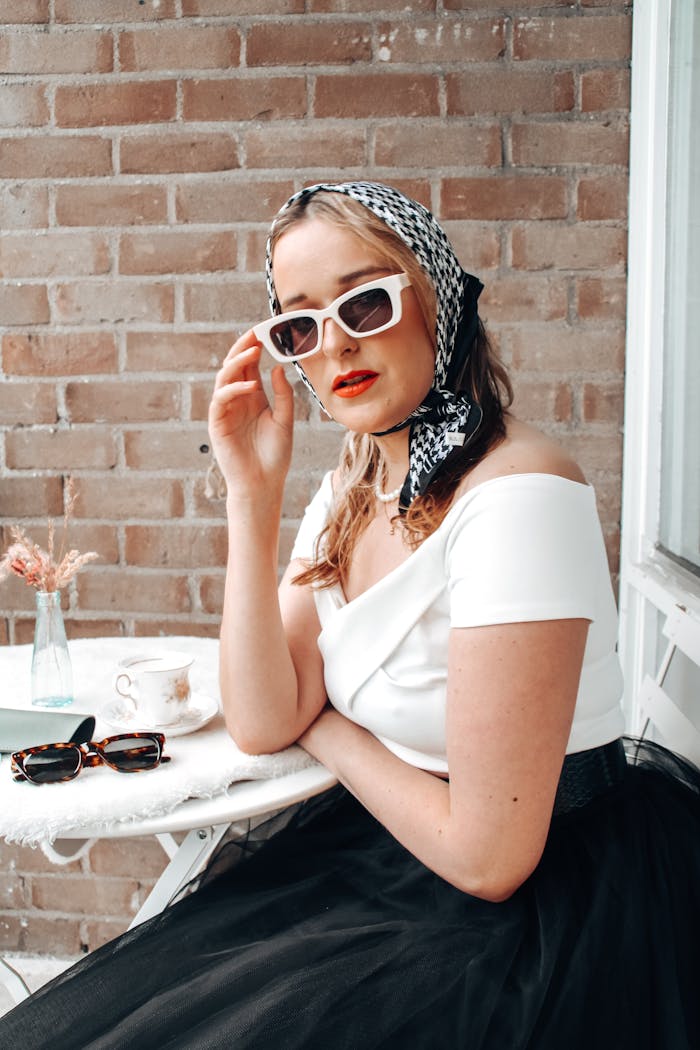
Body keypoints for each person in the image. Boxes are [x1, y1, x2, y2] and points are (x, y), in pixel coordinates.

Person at [2, 181, 699, 1049]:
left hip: (530, 916)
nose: (334, 346)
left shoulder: (520, 498)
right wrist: (251, 497)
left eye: (364, 303)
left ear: (433, 300)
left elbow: (489, 859)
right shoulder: (353, 485)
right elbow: (262, 718)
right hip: (389, 859)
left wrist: (328, 731)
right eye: (299, 326)